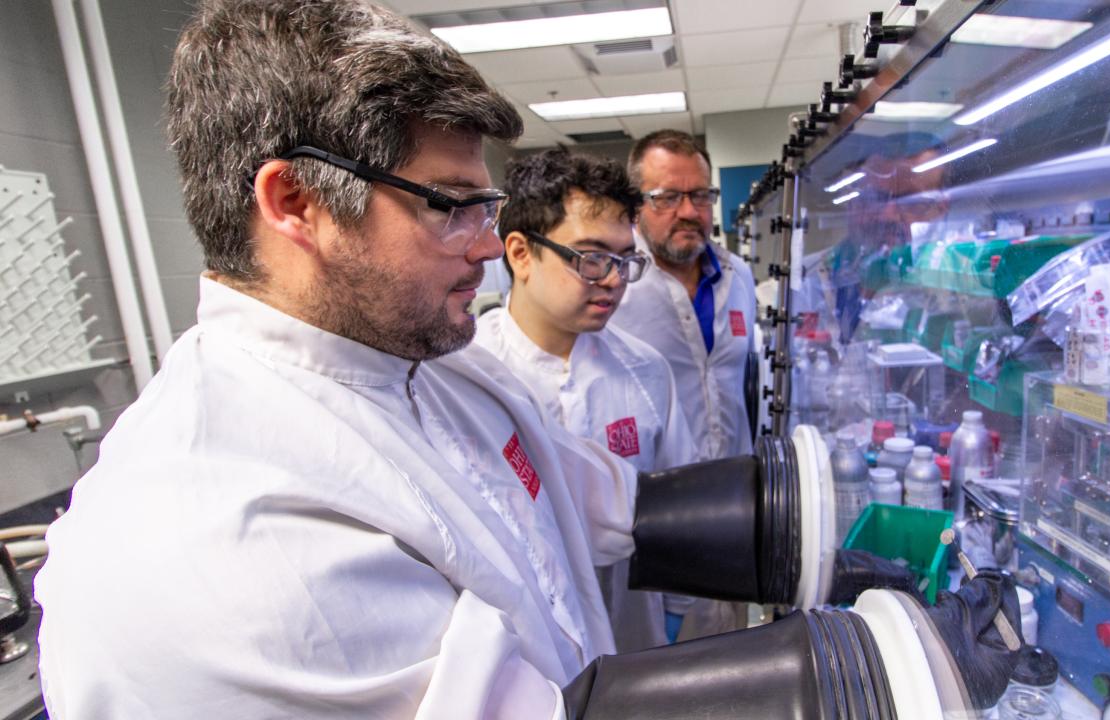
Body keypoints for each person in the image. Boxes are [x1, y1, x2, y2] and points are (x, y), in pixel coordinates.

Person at [35, 2, 1019, 717]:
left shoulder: (434, 367)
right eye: (447, 203)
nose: (483, 241)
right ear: (293, 203)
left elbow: (612, 509)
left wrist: (857, 555)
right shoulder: (221, 528)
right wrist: (874, 679)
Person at [473, 147, 695, 652]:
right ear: (521, 253)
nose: (615, 280)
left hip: (635, 640)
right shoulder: (469, 375)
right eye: (592, 258)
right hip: (523, 658)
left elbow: (678, 509)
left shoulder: (645, 372)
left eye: (625, 260)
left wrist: (677, 614)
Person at [610, 130, 759, 638]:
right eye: (667, 198)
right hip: (655, 525)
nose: (688, 211)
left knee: (735, 660)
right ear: (636, 206)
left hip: (735, 516)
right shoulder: (615, 289)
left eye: (700, 195)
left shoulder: (739, 278)